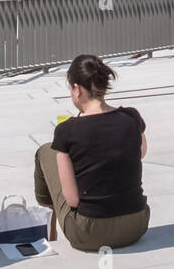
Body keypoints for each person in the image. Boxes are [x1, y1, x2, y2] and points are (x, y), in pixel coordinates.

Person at [33, 54, 149, 252]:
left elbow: (72, 200)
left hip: (90, 234)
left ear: (77, 89)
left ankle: (49, 222)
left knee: (45, 151)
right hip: (137, 225)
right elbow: (141, 152)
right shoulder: (131, 117)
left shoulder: (67, 131)